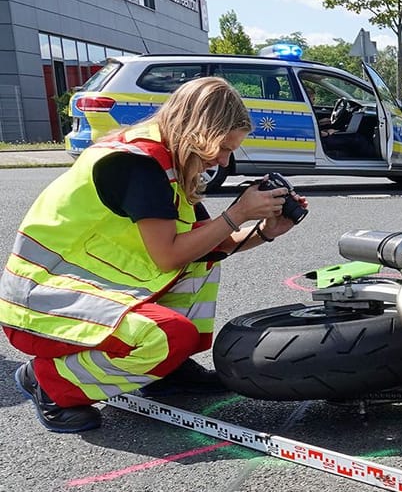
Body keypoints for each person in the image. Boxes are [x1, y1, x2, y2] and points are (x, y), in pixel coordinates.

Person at [0, 77, 305, 433]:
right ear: (197, 131)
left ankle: (167, 371)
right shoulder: (136, 164)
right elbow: (168, 257)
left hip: (78, 292)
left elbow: (207, 243)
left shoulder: (167, 162)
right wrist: (237, 213)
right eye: (222, 147)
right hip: (40, 306)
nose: (224, 160)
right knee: (165, 336)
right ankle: (48, 382)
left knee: (201, 263)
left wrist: (267, 231)